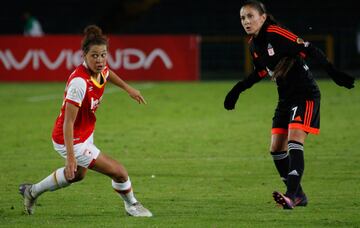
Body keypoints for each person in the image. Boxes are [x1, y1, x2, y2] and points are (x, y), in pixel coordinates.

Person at [224, 0, 355, 209]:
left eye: (250, 16)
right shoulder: (253, 44)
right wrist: (238, 89)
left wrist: (334, 73)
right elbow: (260, 71)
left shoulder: (276, 33)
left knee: (295, 140)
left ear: (263, 17)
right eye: (242, 18)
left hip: (305, 95)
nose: (246, 21)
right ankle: (299, 194)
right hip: (285, 99)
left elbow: (308, 48)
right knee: (276, 149)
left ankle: (291, 195)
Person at [19, 25, 152, 217]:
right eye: (95, 56)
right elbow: (68, 122)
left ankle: (31, 191)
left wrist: (128, 88)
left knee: (77, 176)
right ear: (84, 56)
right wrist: (71, 157)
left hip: (85, 132)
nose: (100, 60)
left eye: (103, 55)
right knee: (119, 172)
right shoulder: (79, 83)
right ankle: (132, 205)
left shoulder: (100, 69)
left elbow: (108, 73)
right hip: (71, 137)